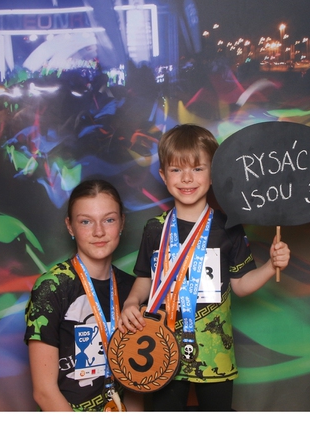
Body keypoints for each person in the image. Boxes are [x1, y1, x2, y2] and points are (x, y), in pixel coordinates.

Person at [119, 124, 290, 411]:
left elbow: (241, 285)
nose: (187, 178)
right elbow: (146, 278)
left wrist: (271, 266)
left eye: (198, 168)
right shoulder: (155, 229)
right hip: (163, 350)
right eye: (176, 169)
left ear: (214, 174)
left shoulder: (228, 227)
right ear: (163, 175)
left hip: (215, 354)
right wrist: (131, 302)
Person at [25, 179, 135, 411]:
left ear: (122, 223)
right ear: (70, 226)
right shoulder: (51, 288)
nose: (98, 232)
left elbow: (138, 382)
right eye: (86, 221)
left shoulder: (133, 290)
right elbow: (44, 392)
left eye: (109, 220)